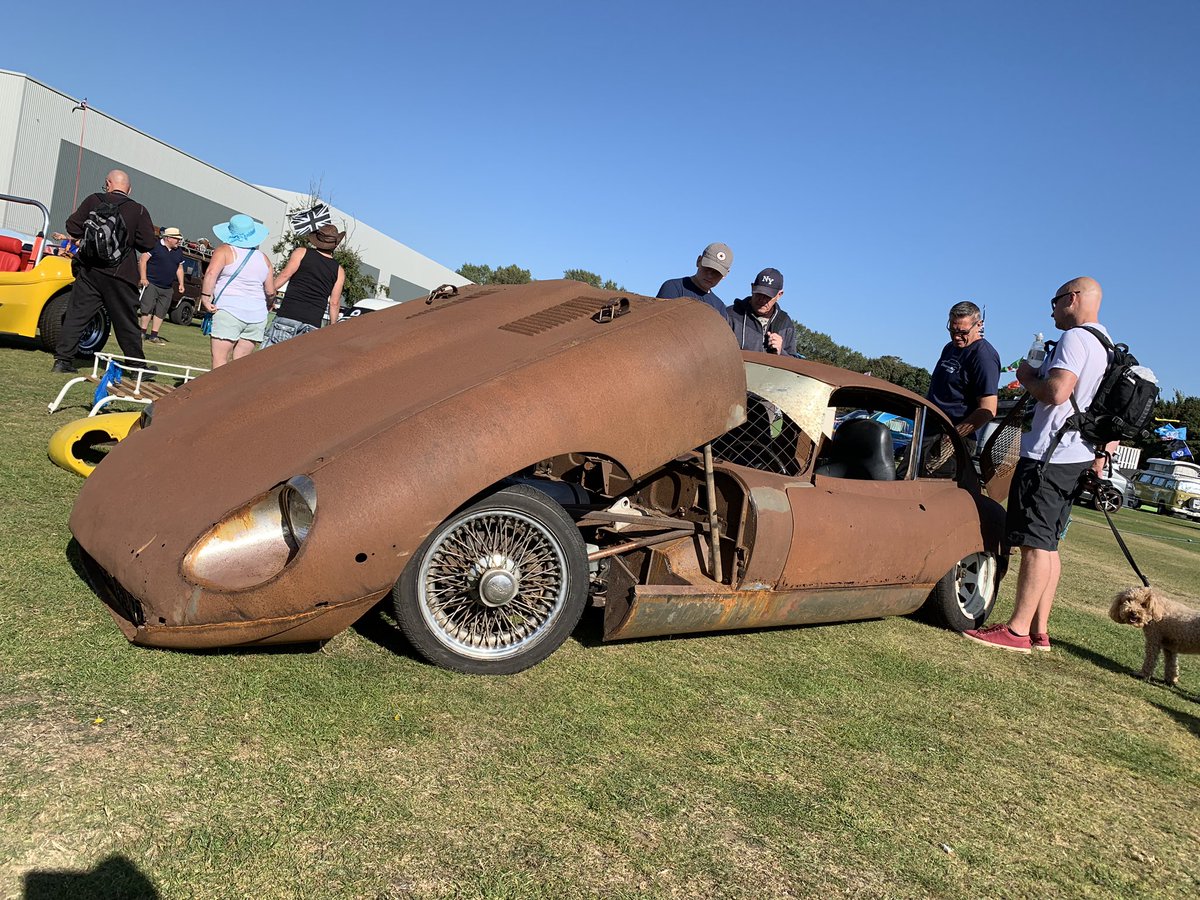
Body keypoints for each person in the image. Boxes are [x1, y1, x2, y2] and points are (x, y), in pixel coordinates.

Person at [964, 276, 1117, 654]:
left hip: (1050, 454)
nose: (1051, 309)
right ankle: (1038, 630)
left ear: (1074, 298)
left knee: (1034, 545)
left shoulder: (1077, 339)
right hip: (1075, 455)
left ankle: (1016, 631)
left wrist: (1028, 377)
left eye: (1055, 300)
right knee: (1048, 545)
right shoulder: (1107, 344)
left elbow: (1057, 391)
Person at [52, 169, 156, 373]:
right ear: (129, 189)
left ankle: (62, 361)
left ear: (108, 183)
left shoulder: (93, 199)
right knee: (126, 322)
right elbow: (147, 244)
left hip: (90, 270)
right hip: (121, 274)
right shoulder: (139, 210)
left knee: (76, 316)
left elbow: (72, 227)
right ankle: (136, 367)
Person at [199, 214, 275, 368]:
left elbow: (211, 273)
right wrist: (268, 305)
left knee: (220, 359)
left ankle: (218, 391)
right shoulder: (264, 258)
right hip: (257, 315)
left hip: (229, 310)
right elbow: (271, 291)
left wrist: (206, 298)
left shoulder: (224, 251)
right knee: (240, 365)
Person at [261, 223, 346, 348]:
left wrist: (269, 294)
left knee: (267, 361)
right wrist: (332, 326)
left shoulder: (301, 252)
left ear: (317, 240)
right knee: (297, 365)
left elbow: (285, 275)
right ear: (335, 244)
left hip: (288, 315)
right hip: (313, 323)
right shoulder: (339, 270)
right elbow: (334, 302)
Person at [926, 301, 1001, 442]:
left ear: (979, 325)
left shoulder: (984, 357)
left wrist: (953, 436)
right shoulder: (950, 348)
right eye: (952, 331)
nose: (956, 337)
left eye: (963, 332)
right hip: (929, 429)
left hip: (955, 437)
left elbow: (988, 409)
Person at [725, 267, 802, 357]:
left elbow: (793, 365)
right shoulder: (730, 315)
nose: (762, 300)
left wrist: (781, 352)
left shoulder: (785, 324)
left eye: (767, 296)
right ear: (752, 287)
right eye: (759, 294)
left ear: (779, 295)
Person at [138, 226, 186, 344]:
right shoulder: (155, 246)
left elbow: (179, 268)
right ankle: (142, 333)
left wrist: (181, 283)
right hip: (151, 283)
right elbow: (143, 260)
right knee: (147, 309)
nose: (179, 241)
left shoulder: (178, 251)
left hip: (167, 287)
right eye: (177, 239)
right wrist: (143, 278)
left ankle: (154, 335)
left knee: (161, 312)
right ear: (168, 238)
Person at [655, 242, 733, 315]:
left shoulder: (720, 308)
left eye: (717, 273)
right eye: (707, 268)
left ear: (725, 275)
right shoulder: (673, 288)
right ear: (698, 261)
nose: (710, 275)